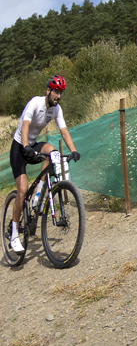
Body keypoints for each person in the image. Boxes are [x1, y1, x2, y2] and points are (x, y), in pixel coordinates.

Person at [9, 75, 80, 253]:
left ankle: (39, 195)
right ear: (48, 91)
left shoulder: (56, 109)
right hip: (19, 147)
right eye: (56, 91)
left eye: (61, 92)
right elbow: (25, 125)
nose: (58, 96)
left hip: (32, 145)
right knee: (22, 190)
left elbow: (63, 130)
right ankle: (14, 234)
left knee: (54, 153)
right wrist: (25, 146)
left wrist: (73, 150)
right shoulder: (35, 103)